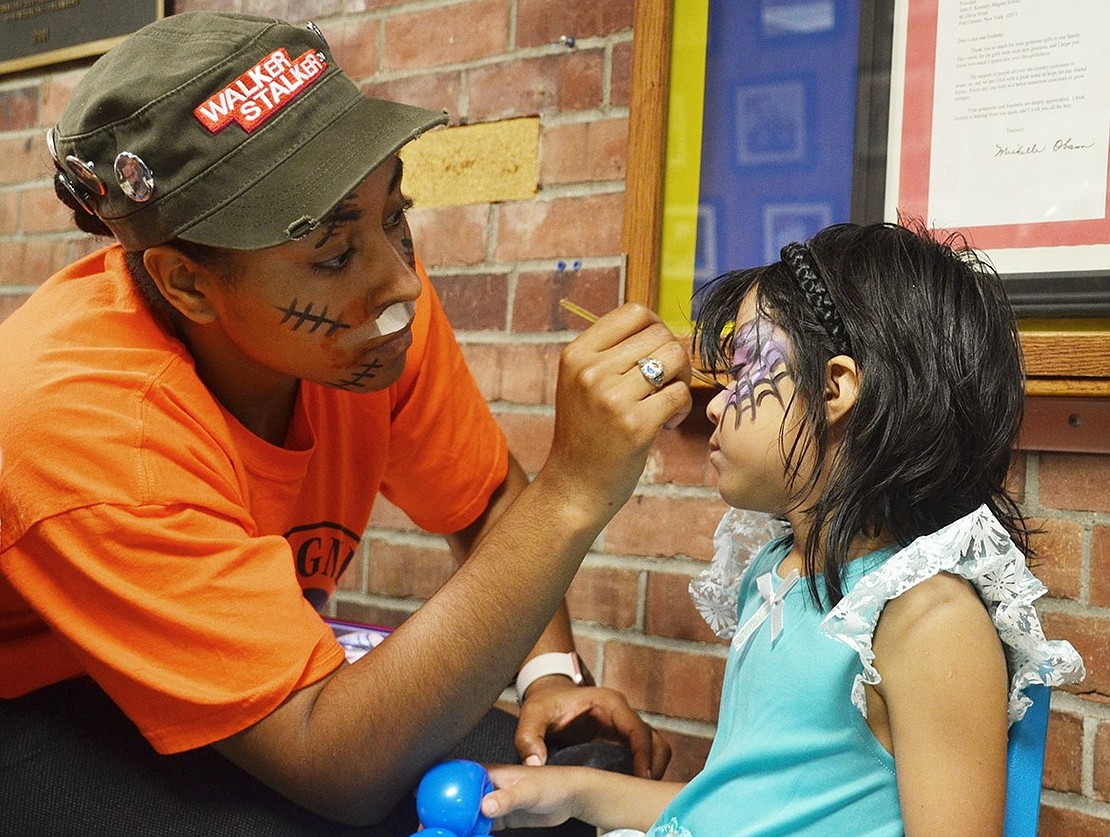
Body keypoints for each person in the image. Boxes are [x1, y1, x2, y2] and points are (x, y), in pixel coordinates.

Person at [0, 12, 693, 835]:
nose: (399, 283)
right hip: (45, 700)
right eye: (331, 255)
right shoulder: (80, 419)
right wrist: (576, 489)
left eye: (393, 214)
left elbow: (485, 501)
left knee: (573, 780)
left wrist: (549, 677)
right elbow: (339, 769)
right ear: (186, 283)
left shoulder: (366, 324)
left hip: (266, 683)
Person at [478, 222, 1086, 836]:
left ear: (834, 388)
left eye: (744, 367)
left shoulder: (927, 620)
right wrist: (572, 789)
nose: (714, 403)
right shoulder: (775, 574)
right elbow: (735, 812)